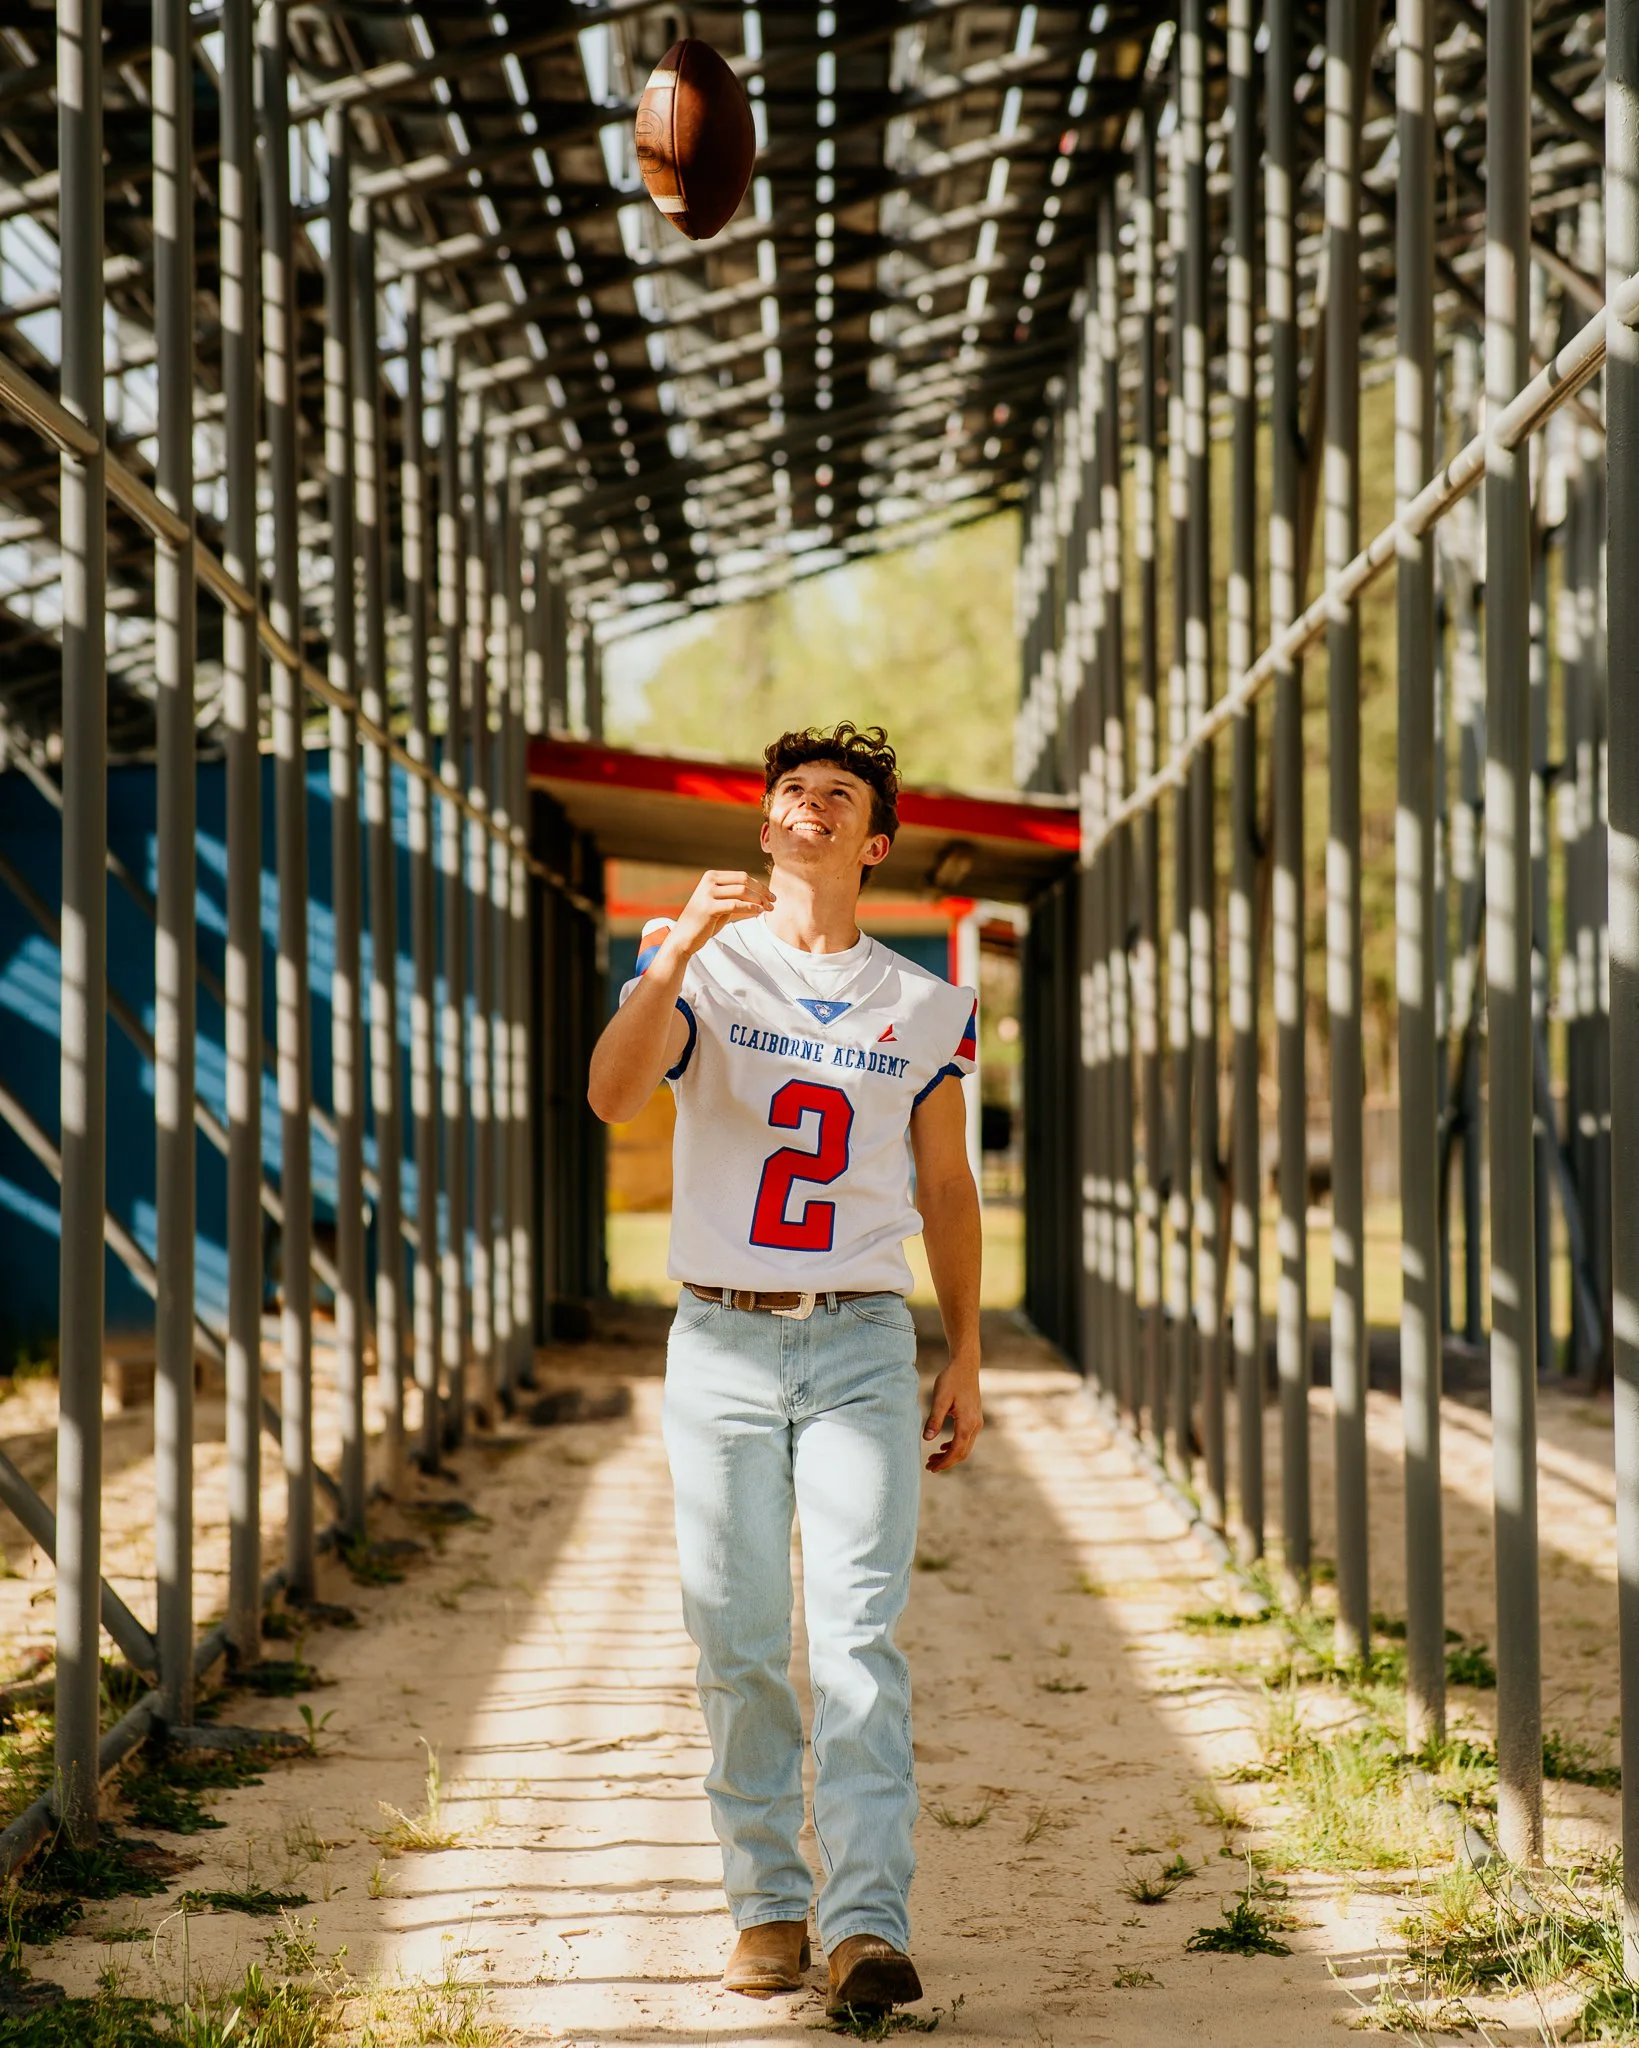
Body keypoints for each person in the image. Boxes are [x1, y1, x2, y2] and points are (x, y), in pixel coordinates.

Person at [587, 722, 983, 2017]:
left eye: (838, 796)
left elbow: (944, 1186)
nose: (808, 807)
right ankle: (764, 1906)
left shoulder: (923, 1006)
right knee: (739, 1635)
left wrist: (966, 1350)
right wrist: (677, 958)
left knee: (860, 1637)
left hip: (862, 1336)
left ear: (873, 845)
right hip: (720, 1337)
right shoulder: (695, 965)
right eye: (790, 794)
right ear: (765, 830)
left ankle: (866, 1926)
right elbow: (611, 1095)